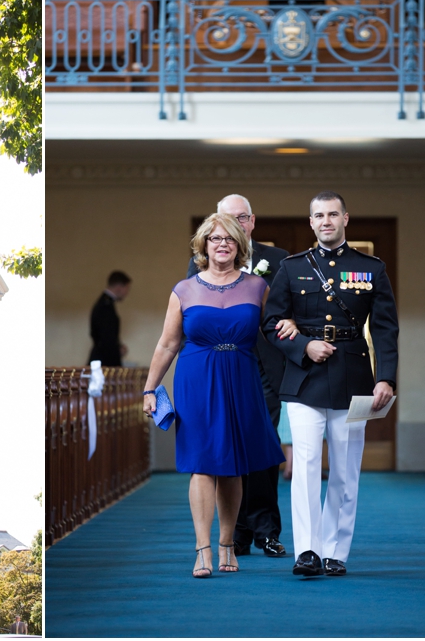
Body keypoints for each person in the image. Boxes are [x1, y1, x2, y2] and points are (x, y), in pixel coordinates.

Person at [263, 191, 398, 577]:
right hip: (304, 378)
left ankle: (335, 551)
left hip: (353, 377)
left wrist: (385, 377)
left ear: (345, 219)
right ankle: (306, 550)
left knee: (344, 468)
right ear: (311, 222)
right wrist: (305, 345)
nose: (326, 221)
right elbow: (272, 324)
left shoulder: (370, 267)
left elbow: (387, 328)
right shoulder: (291, 268)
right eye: (318, 215)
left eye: (333, 214)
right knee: (304, 464)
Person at [143, 213, 286, 578]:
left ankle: (227, 545)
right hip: (196, 379)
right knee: (202, 464)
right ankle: (202, 549)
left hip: (241, 377)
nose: (222, 244)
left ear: (240, 245)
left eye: (230, 239)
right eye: (214, 238)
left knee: (234, 466)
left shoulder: (257, 287)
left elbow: (275, 332)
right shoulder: (184, 290)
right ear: (203, 245)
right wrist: (149, 388)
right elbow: (168, 343)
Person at [187, 194, 289, 559]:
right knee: (226, 449)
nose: (233, 227)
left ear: (252, 221)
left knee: (261, 450)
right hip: (220, 370)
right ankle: (237, 534)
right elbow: (189, 315)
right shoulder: (199, 263)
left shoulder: (278, 260)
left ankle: (266, 530)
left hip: (265, 370)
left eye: (241, 218)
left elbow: (285, 313)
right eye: (225, 220)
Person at [88, 271, 132, 367]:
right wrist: (116, 349)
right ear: (119, 287)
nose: (127, 293)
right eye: (127, 288)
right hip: (104, 361)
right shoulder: (105, 306)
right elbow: (106, 338)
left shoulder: (105, 303)